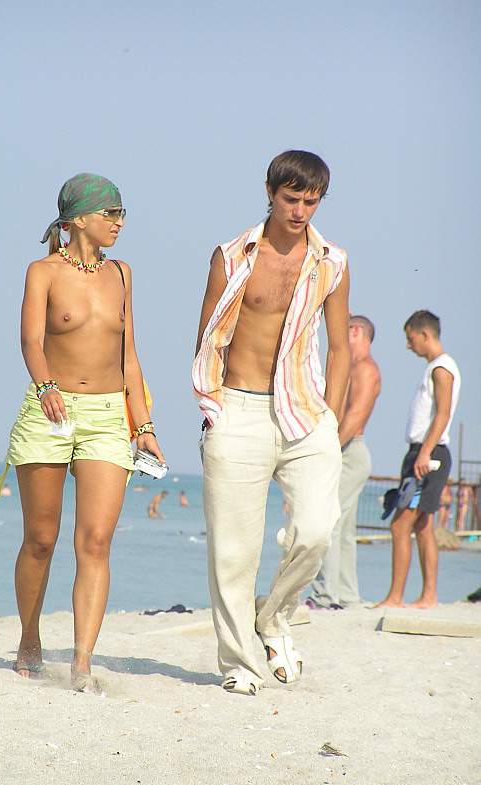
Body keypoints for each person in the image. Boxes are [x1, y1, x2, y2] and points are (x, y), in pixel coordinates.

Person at [0, 173, 164, 690]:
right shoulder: (42, 272)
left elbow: (129, 355)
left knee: (95, 540)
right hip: (50, 410)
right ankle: (29, 638)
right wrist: (45, 384)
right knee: (41, 539)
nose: (120, 222)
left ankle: (83, 661)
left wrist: (143, 424)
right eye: (111, 213)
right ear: (78, 219)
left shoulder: (123, 274)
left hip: (108, 415)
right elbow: (30, 340)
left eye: (121, 212)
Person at [193, 150, 350, 696]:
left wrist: (334, 419)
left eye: (311, 201)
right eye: (291, 199)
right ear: (270, 192)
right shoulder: (231, 256)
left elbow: (340, 347)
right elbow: (208, 337)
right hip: (239, 408)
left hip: (306, 412)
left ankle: (275, 617)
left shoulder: (332, 262)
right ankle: (239, 663)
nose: (301, 210)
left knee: (316, 529)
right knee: (233, 553)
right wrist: (212, 409)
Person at [377, 310, 460, 609]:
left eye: (411, 339)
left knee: (400, 526)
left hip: (429, 454)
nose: (408, 345)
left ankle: (395, 597)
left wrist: (424, 452)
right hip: (424, 451)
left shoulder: (441, 368)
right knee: (422, 524)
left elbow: (443, 414)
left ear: (425, 334)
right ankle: (428, 596)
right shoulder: (435, 368)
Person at [308, 315, 381, 609]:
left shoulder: (366, 369)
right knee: (345, 530)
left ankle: (324, 595)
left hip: (350, 451)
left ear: (356, 331)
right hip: (346, 449)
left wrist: (330, 448)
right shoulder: (352, 367)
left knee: (328, 520)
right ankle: (347, 595)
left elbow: (355, 416)